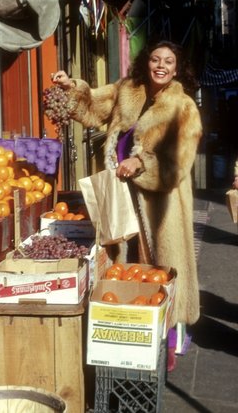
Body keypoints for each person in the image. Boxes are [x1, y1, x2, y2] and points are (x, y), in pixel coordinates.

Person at [52, 40, 202, 334]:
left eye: (168, 61)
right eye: (155, 59)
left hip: (160, 206)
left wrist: (141, 162)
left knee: (158, 271)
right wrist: (70, 86)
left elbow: (179, 163)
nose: (160, 66)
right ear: (147, 62)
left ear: (176, 69)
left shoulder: (184, 107)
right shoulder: (127, 89)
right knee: (122, 267)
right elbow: (93, 106)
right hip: (119, 193)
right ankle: (124, 332)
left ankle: (164, 342)